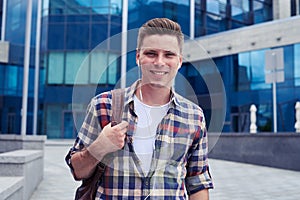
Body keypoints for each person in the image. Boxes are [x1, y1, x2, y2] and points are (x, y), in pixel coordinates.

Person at [66, 18, 213, 199]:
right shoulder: (103, 106)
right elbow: (77, 171)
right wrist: (100, 147)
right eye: (151, 53)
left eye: (169, 55)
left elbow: (197, 182)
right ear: (138, 57)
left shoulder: (194, 116)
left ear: (180, 61)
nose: (159, 62)